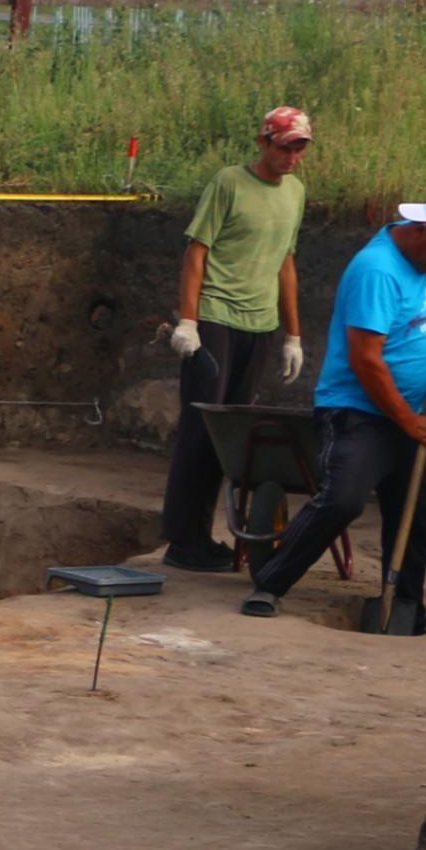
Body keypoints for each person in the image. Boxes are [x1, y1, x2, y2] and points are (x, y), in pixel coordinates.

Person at [244, 190, 426, 632]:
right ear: (420, 231)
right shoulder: (378, 270)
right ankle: (270, 583)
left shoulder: (424, 261)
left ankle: (406, 605)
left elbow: (415, 311)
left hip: (407, 411)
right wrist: (407, 420)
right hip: (357, 410)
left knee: (412, 507)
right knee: (343, 499)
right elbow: (366, 360)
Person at [160, 107, 313, 571]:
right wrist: (188, 322)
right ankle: (184, 540)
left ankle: (209, 538)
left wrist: (293, 335)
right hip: (216, 319)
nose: (292, 156)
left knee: (232, 437)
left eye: (300, 147)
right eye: (285, 146)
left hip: (259, 324)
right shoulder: (229, 183)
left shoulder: (296, 193)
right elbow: (196, 251)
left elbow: (286, 263)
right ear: (264, 142)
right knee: (200, 430)